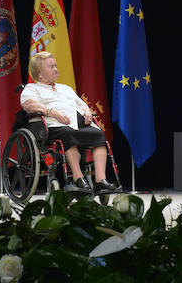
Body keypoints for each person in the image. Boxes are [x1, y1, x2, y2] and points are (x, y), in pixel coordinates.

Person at [20, 51, 117, 194]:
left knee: (98, 134)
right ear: (39, 73)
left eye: (56, 65)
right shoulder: (31, 89)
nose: (55, 68)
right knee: (67, 134)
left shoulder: (65, 88)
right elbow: (29, 105)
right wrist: (52, 112)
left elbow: (81, 104)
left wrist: (87, 112)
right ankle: (79, 179)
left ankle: (100, 181)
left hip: (75, 124)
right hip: (51, 126)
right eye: (51, 66)